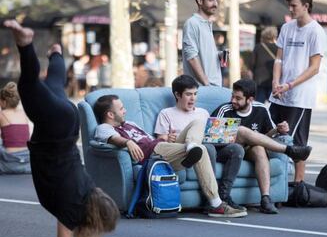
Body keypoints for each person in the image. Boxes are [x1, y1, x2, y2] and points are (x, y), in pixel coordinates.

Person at [4, 20, 120, 237]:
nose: (94, 233)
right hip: (54, 130)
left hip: (68, 123)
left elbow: (84, 235)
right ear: (94, 217)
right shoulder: (71, 207)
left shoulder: (90, 191)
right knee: (29, 86)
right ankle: (26, 43)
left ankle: (56, 53)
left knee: (54, 83)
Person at [93, 94, 246, 218]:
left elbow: (152, 140)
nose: (125, 111)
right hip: (153, 156)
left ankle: (191, 146)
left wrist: (167, 139)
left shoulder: (130, 123)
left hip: (162, 148)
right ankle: (216, 204)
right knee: (202, 150)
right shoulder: (103, 128)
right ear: (110, 114)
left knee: (199, 122)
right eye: (121, 109)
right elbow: (114, 139)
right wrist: (128, 142)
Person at [212, 79, 312, 214]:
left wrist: (278, 130)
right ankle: (288, 151)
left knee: (259, 148)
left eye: (238, 98)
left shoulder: (261, 109)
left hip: (248, 150)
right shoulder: (224, 109)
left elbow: (267, 136)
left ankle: (265, 199)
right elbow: (211, 136)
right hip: (226, 150)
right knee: (241, 130)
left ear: (250, 99)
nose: (233, 100)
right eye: (232, 96)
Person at [154, 75, 247, 213]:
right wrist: (169, 138)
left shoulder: (203, 112)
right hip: (182, 149)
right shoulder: (166, 113)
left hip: (208, 147)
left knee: (236, 149)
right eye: (188, 94)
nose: (193, 98)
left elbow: (212, 137)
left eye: (195, 94)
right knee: (203, 140)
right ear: (177, 95)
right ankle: (210, 200)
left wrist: (226, 136)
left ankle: (224, 196)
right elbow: (160, 141)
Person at [269, 0, 325, 183]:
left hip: (299, 97)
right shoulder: (286, 27)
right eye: (289, 6)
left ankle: (298, 185)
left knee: (297, 143)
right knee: (269, 136)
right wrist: (276, 82)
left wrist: (290, 85)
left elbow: (315, 67)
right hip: (279, 94)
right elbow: (279, 60)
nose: (290, 10)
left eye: (294, 6)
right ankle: (275, 182)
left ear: (306, 6)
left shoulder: (316, 31)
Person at [182, 0, 222, 86]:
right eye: (211, 0)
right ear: (200, 1)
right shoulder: (192, 23)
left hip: (214, 86)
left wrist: (219, 56)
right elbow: (191, 57)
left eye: (216, 0)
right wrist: (206, 84)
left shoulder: (207, 24)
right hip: (202, 88)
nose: (215, 4)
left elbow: (204, 55)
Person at [0, 81, 31, 174]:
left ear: (3, 101)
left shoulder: (2, 115)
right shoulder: (24, 114)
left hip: (9, 163)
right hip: (26, 161)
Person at [249, 27, 278, 103]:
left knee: (259, 104)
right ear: (274, 36)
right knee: (273, 103)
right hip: (273, 80)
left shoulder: (258, 47)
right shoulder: (278, 48)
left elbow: (252, 63)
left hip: (259, 80)